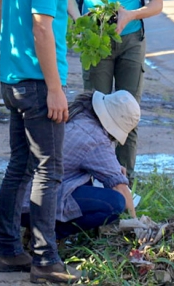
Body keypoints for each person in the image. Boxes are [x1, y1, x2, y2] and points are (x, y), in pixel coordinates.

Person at [0, 0, 111, 284]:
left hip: (14, 79)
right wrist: (55, 90)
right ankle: (45, 260)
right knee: (49, 170)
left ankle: (9, 250)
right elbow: (42, 27)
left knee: (20, 167)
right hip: (37, 83)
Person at [66, 0, 163, 180]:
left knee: (128, 113)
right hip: (96, 43)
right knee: (94, 112)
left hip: (131, 40)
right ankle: (91, 180)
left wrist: (130, 15)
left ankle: (123, 184)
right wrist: (80, 23)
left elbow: (157, 3)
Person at [21, 90, 139, 240]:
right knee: (116, 204)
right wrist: (136, 222)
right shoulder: (96, 138)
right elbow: (120, 188)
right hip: (37, 204)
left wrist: (112, 169)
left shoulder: (79, 116)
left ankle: (37, 229)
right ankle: (47, 235)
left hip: (22, 199)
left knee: (90, 183)